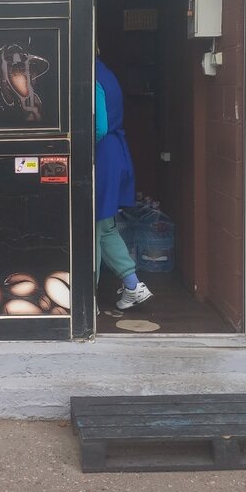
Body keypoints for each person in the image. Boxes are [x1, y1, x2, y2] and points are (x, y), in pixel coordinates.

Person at [95, 53, 152, 310]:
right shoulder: (106, 73)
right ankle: (133, 285)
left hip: (102, 156)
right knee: (104, 226)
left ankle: (87, 300)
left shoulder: (92, 76)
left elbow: (99, 127)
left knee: (91, 229)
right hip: (114, 153)